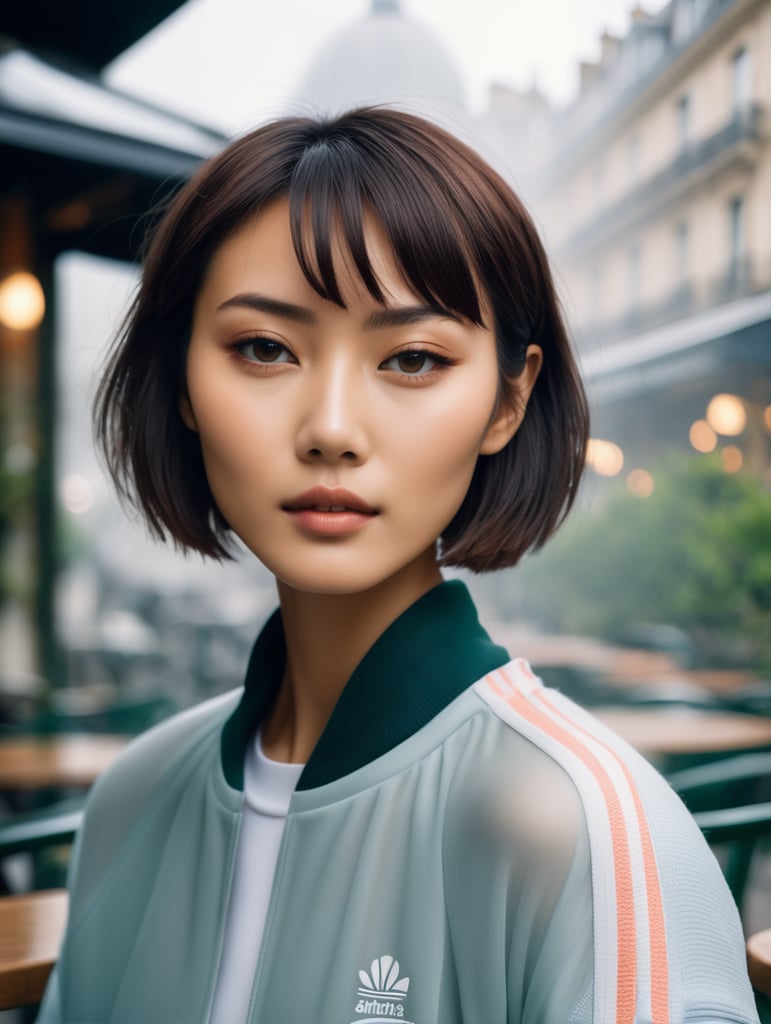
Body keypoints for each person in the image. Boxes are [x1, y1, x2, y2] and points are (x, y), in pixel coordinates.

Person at [38, 107, 758, 1024]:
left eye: (412, 359)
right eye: (264, 348)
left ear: (507, 400)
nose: (332, 427)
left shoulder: (581, 826)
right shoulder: (131, 800)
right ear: (183, 383)